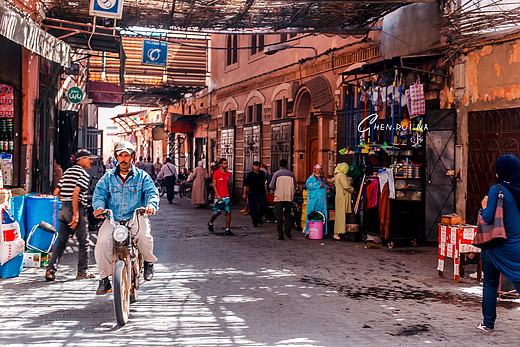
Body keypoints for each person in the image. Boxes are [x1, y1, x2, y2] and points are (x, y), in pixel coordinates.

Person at [92, 141, 159, 295]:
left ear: (132, 158)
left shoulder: (142, 176)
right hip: (113, 219)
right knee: (101, 243)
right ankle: (104, 279)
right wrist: (99, 208)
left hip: (136, 217)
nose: (123, 159)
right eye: (120, 156)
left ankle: (149, 262)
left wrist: (151, 205)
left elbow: (152, 193)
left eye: (126, 156)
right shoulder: (108, 177)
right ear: (116, 158)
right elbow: (99, 195)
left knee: (144, 237)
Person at [476, 155, 520, 332]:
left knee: (490, 283)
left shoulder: (497, 189)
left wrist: (484, 206)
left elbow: (487, 217)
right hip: (517, 247)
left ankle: (488, 323)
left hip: (497, 246)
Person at [45, 149, 97, 281]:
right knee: (84, 242)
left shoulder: (67, 172)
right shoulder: (83, 174)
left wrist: (65, 203)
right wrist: (75, 214)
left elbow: (56, 192)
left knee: (61, 242)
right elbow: (76, 193)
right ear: (81, 160)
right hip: (76, 209)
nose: (91, 161)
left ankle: (50, 270)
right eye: (88, 158)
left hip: (63, 209)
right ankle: (82, 271)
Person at [269, 159, 296, 240]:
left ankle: (280, 234)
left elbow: (271, 186)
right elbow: (295, 185)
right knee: (288, 215)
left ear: (279, 165)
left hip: (278, 197)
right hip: (288, 197)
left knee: (279, 216)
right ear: (287, 165)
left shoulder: (276, 174)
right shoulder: (291, 174)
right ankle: (288, 231)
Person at [208, 158, 233, 235]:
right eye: (224, 163)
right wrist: (217, 195)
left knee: (228, 212)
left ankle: (227, 229)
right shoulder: (216, 173)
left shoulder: (228, 173)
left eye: (226, 163)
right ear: (220, 165)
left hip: (226, 195)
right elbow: (214, 185)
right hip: (218, 196)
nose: (226, 165)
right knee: (217, 212)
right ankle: (210, 222)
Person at [305, 164, 329, 236]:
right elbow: (308, 185)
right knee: (311, 214)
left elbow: (325, 187)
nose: (319, 172)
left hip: (322, 202)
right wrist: (318, 185)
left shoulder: (322, 179)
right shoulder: (311, 178)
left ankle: (323, 231)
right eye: (317, 170)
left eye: (320, 170)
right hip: (313, 201)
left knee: (322, 215)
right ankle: (308, 231)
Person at [333, 163, 355, 240]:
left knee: (340, 214)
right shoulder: (341, 175)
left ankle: (341, 232)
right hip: (343, 197)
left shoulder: (338, 175)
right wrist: (352, 189)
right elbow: (345, 186)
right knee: (342, 215)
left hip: (341, 197)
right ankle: (339, 232)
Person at [243, 161, 267, 227]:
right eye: (256, 166)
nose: (257, 167)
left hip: (261, 192)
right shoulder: (250, 174)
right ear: (253, 166)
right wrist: (244, 193)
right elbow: (246, 184)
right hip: (252, 192)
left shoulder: (262, 173)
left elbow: (264, 182)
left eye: (258, 166)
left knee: (263, 206)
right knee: (253, 208)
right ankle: (254, 221)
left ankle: (259, 217)